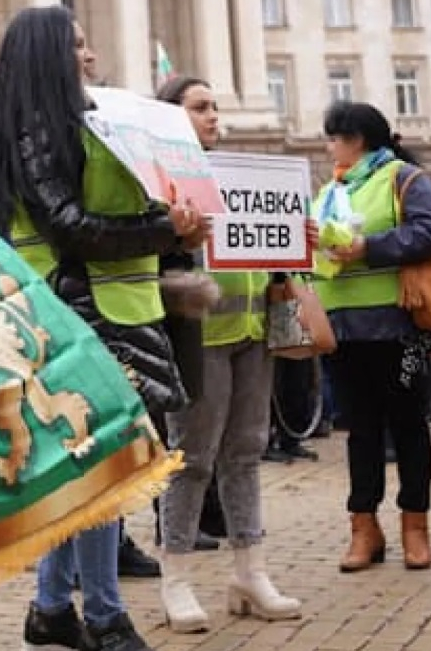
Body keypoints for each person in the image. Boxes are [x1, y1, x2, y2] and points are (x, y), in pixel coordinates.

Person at [0, 6, 208, 651]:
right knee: (107, 466)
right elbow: (72, 229)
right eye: (75, 45)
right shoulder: (38, 132)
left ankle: (53, 608)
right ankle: (103, 617)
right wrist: (170, 230)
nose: (90, 55)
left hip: (105, 311)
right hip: (74, 314)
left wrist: (173, 224)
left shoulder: (70, 128)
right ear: (47, 57)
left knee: (91, 466)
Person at [152, 76, 300, 631]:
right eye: (200, 107)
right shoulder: (157, 182)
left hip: (252, 327)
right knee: (189, 460)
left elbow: (266, 245)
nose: (214, 116)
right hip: (197, 335)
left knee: (245, 451)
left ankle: (249, 570)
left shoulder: (242, 172)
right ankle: (177, 579)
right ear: (169, 118)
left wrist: (292, 244)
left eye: (215, 107)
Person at [312, 101, 431, 573]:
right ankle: (364, 526)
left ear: (359, 139)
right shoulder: (331, 189)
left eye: (334, 137)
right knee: (360, 429)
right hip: (341, 328)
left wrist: (367, 248)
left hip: (398, 325)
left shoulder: (403, 178)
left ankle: (416, 525)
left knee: (410, 424)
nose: (328, 146)